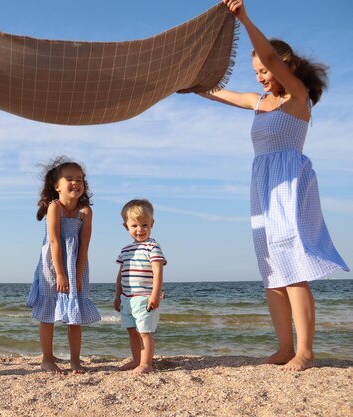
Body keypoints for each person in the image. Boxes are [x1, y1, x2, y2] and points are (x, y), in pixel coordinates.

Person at [201, 0, 349, 371]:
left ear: (286, 67)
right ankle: (284, 349)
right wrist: (181, 82)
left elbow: (268, 51)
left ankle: (306, 352)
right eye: (256, 72)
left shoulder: (297, 97)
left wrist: (244, 19)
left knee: (294, 265)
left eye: (265, 69)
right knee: (271, 269)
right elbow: (216, 93)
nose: (261, 76)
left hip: (290, 184)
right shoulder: (259, 102)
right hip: (262, 187)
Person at [26, 156, 101, 374]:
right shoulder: (54, 207)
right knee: (47, 313)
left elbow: (85, 245)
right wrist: (60, 273)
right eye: (69, 178)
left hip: (76, 264)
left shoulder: (85, 212)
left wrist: (76, 275)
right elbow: (54, 241)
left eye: (80, 178)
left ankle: (75, 360)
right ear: (56, 186)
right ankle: (47, 358)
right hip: (52, 266)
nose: (76, 182)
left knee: (74, 314)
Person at [113, 199, 166, 374]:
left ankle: (146, 363)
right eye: (134, 225)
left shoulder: (153, 247)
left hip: (144, 297)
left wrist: (155, 295)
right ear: (125, 226)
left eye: (144, 225)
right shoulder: (126, 250)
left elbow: (158, 272)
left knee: (145, 331)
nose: (140, 229)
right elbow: (122, 273)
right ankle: (137, 360)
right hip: (127, 298)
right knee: (132, 331)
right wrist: (117, 295)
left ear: (152, 224)